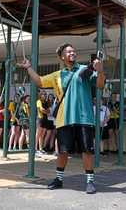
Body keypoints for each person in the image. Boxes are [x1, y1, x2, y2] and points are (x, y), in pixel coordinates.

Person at [18, 43, 105, 194]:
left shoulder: (85, 69)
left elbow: (100, 84)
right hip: (64, 119)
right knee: (63, 151)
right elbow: (39, 81)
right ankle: (59, 179)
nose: (73, 52)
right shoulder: (57, 75)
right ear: (62, 57)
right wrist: (28, 68)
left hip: (84, 118)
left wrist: (100, 70)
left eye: (73, 50)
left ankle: (90, 181)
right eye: (69, 51)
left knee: (87, 151)